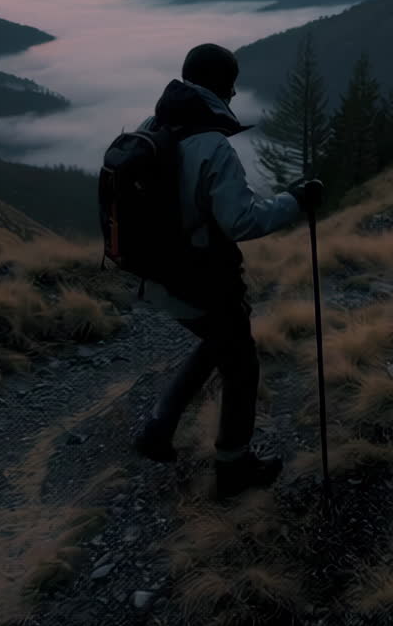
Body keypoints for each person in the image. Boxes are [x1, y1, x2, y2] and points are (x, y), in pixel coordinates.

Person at [133, 43, 321, 499]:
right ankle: (233, 466)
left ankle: (158, 428)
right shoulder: (210, 145)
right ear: (225, 88)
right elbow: (242, 221)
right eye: (233, 86)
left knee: (218, 342)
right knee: (241, 364)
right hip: (200, 280)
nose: (236, 95)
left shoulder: (152, 126)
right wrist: (296, 201)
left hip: (156, 273)